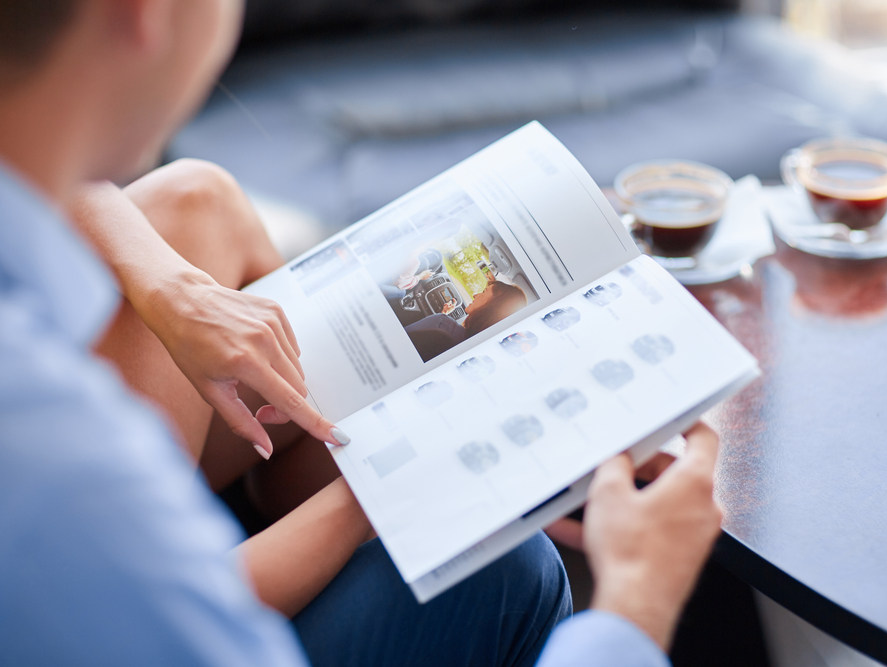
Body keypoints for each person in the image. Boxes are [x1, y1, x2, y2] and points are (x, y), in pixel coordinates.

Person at [0, 1, 724, 665]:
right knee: (507, 570)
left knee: (199, 199)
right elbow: (185, 622)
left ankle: (302, 471)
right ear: (145, 12)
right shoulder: (59, 459)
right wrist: (635, 600)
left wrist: (167, 283)